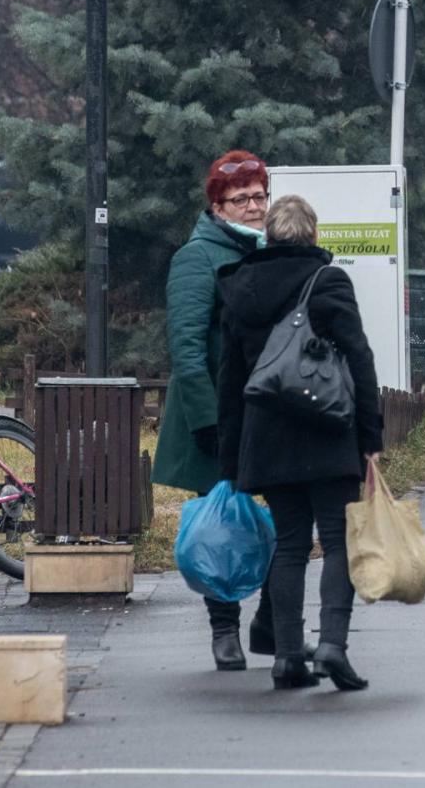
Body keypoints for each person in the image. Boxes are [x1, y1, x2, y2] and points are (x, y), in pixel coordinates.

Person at [217, 195, 382, 691]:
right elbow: (359, 358)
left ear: (269, 235)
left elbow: (230, 378)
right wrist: (371, 438)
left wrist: (230, 457)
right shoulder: (328, 281)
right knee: (336, 541)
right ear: (312, 235)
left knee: (289, 545)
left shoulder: (240, 285)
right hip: (328, 430)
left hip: (266, 436)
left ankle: (288, 657)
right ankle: (332, 643)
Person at [155, 150, 278, 673]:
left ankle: (272, 620)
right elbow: (185, 346)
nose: (254, 206)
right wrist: (206, 420)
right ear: (217, 206)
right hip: (221, 416)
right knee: (222, 526)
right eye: (241, 199)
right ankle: (223, 627)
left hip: (270, 411)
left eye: (259, 196)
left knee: (283, 518)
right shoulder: (197, 257)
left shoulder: (270, 251)